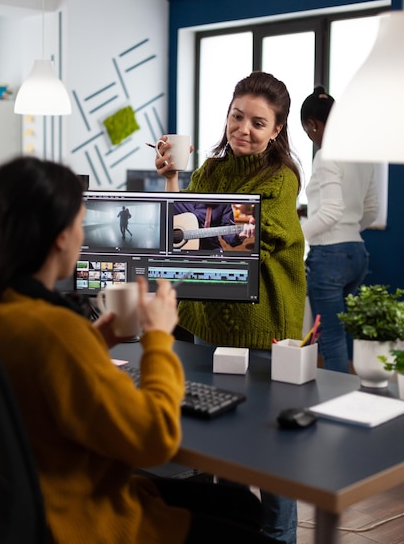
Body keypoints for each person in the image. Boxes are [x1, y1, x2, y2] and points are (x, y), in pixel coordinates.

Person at [0, 156, 276, 544]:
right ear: (60, 235)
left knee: (239, 504)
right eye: (81, 219)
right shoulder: (57, 332)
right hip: (84, 519)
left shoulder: (5, 312)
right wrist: (158, 337)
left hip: (30, 505)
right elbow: (154, 441)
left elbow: (41, 377)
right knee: (244, 521)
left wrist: (95, 340)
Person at [156, 71, 306, 544]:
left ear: (277, 130)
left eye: (258, 123)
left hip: (262, 325)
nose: (243, 128)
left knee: (273, 446)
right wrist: (174, 180)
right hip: (210, 319)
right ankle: (238, 532)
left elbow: (242, 238)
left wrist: (202, 231)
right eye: (236, 116)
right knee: (223, 438)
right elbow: (187, 228)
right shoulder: (212, 171)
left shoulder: (281, 180)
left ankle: (279, 537)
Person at [300, 86, 379, 373]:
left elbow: (331, 211)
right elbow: (372, 208)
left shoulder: (326, 155)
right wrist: (348, 231)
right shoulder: (361, 156)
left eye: (309, 131)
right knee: (338, 334)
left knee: (331, 341)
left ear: (313, 124)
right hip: (357, 254)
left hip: (329, 257)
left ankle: (336, 406)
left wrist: (297, 237)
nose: (311, 137)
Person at [173, 200, 255, 251]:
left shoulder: (222, 203)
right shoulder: (179, 198)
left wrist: (239, 236)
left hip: (211, 251)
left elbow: (228, 235)